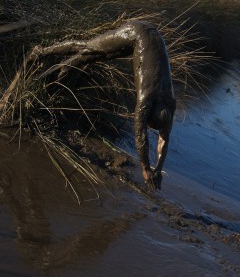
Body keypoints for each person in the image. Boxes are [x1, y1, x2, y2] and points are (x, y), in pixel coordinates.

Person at [29, 21, 176, 190]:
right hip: (137, 33)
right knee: (88, 47)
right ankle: (41, 52)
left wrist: (158, 169)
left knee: (97, 55)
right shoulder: (146, 97)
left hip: (152, 36)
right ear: (150, 111)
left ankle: (62, 73)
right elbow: (140, 132)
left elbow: (164, 138)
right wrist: (145, 169)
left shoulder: (170, 103)